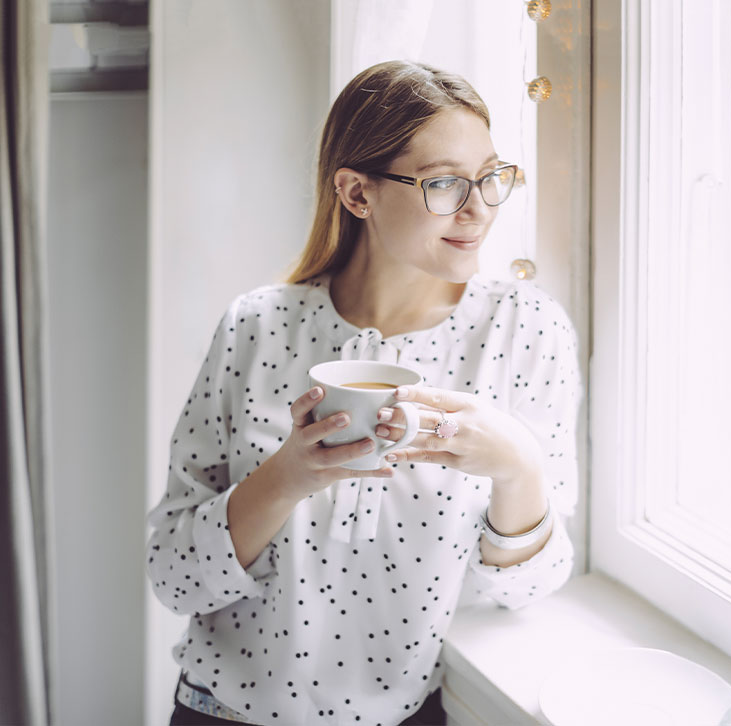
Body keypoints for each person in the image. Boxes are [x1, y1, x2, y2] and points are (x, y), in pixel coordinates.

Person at [146, 59, 581, 726]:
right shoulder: (257, 326)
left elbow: (529, 588)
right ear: (356, 193)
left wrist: (516, 463)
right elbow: (174, 575)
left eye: (491, 177)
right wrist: (287, 476)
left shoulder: (524, 332)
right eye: (443, 184)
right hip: (219, 710)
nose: (478, 209)